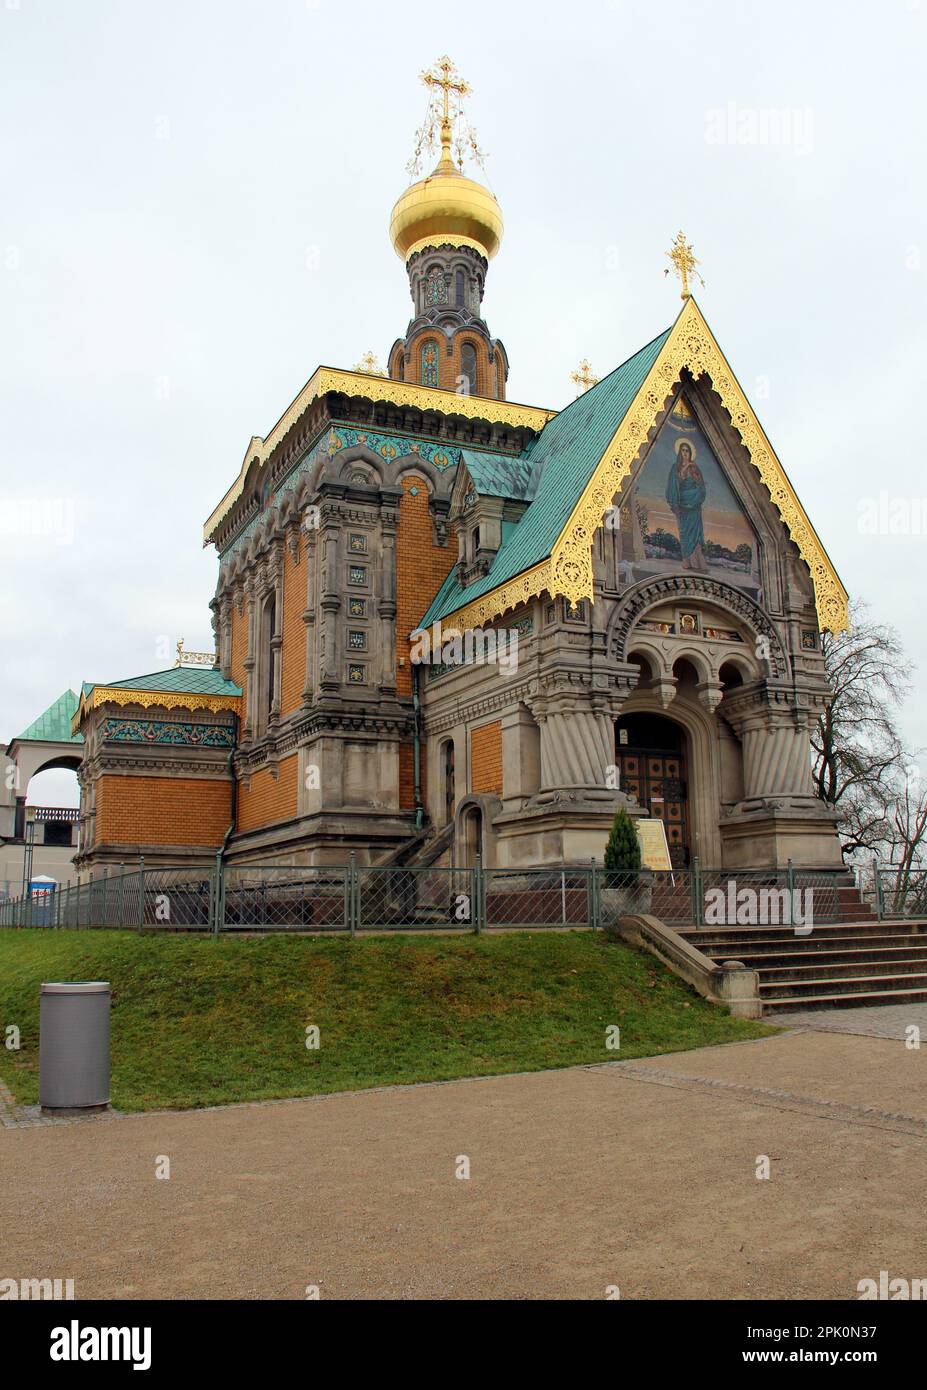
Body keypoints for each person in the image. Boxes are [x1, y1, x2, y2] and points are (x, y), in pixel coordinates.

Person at [666, 439, 709, 572]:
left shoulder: (695, 467)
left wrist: (697, 493)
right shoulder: (676, 467)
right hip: (683, 505)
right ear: (680, 452)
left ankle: (697, 562)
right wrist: (686, 467)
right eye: (682, 451)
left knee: (695, 534)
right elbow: (677, 482)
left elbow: (700, 485)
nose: (685, 453)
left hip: (694, 506)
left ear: (690, 453)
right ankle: (687, 560)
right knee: (685, 533)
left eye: (687, 451)